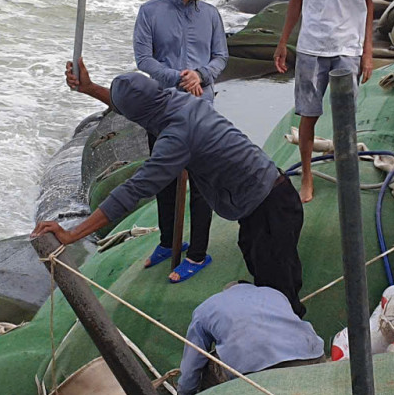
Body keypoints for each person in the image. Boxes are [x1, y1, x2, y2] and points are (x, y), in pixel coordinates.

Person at [33, 62, 309, 317]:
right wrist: (90, 88)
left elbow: (132, 190)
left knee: (279, 294)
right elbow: (131, 108)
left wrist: (72, 234)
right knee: (261, 261)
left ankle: (294, 345)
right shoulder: (178, 101)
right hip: (270, 197)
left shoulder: (176, 138)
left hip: (269, 209)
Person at [273, 0, 379, 202]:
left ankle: (347, 173)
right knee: (308, 115)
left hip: (347, 47)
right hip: (311, 47)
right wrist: (283, 41)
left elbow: (368, 3)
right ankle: (307, 175)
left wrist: (367, 51)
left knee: (346, 116)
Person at [132, 0, 228, 282]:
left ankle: (198, 254)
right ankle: (166, 241)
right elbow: (144, 61)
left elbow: (220, 58)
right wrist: (178, 78)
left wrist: (200, 75)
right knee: (164, 179)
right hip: (161, 110)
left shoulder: (212, 15)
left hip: (201, 111)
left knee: (202, 183)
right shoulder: (149, 12)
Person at [175, 283, 324, 395]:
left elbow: (192, 364)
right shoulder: (273, 293)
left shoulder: (205, 308)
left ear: (226, 291)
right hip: (312, 356)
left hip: (253, 373)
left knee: (207, 365)